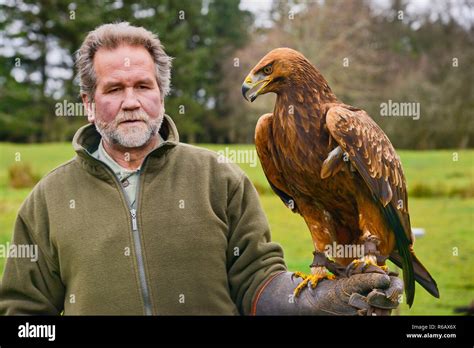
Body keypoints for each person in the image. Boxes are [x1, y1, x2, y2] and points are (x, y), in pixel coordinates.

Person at [0, 23, 401, 315]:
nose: (131, 101)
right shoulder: (47, 201)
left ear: (161, 95)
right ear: (88, 102)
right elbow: (23, 314)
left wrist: (309, 305)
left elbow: (257, 282)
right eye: (114, 89)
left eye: (143, 86)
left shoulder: (220, 179)